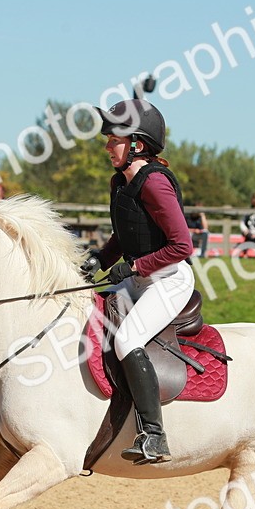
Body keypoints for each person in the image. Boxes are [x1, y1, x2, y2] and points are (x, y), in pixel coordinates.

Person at [81, 99, 193, 465]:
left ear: (138, 144)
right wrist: (100, 259)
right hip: (142, 277)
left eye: (113, 139)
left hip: (169, 279)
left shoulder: (155, 184)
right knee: (90, 310)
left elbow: (182, 245)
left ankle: (154, 436)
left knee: (128, 339)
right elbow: (123, 236)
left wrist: (134, 268)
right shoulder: (121, 182)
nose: (106, 146)